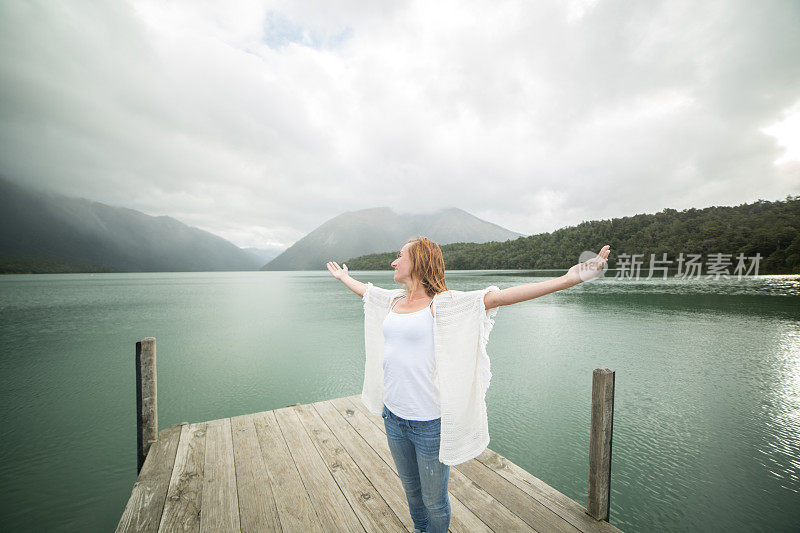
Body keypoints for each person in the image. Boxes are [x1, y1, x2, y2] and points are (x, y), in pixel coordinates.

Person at [327, 236, 610, 533]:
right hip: (393, 417)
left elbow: (501, 297)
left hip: (427, 425)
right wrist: (345, 277)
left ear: (420, 261)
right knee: (411, 492)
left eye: (400, 256)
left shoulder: (444, 305)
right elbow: (367, 292)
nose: (393, 261)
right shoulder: (394, 300)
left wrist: (570, 278)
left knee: (433, 501)